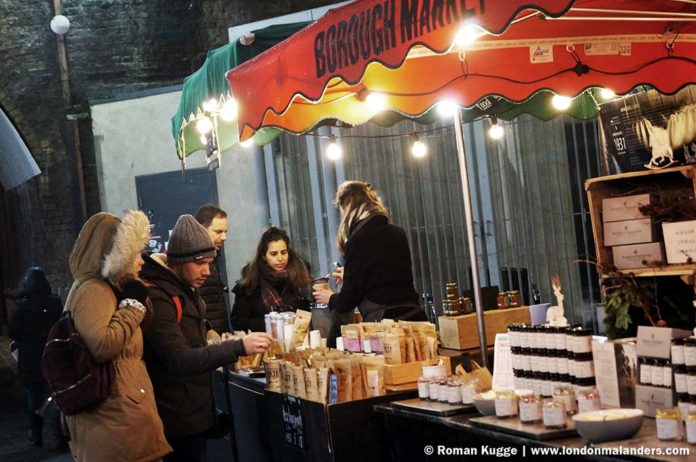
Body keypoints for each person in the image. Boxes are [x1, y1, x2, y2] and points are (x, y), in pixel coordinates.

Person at [141, 214, 272, 462]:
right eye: (199, 262)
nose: (207, 270)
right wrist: (237, 347)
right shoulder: (159, 297)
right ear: (178, 261)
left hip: (192, 412)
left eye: (210, 262)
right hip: (176, 419)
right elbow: (178, 359)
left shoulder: (184, 288)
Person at [62, 211, 171, 462]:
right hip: (114, 425)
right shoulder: (93, 290)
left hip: (120, 420)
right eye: (134, 255)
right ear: (115, 256)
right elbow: (102, 345)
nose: (141, 261)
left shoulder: (105, 288)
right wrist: (133, 306)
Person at [313, 181, 426, 327]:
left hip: (386, 325)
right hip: (416, 318)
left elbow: (347, 300)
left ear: (347, 207)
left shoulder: (358, 240)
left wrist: (330, 298)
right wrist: (351, 273)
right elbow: (385, 276)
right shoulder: (397, 233)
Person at [8, 267, 64, 449]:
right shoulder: (55, 302)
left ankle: (37, 436)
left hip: (31, 360)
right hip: (53, 356)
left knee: (35, 399)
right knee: (56, 397)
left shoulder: (22, 306)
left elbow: (13, 332)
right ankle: (60, 437)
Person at [230, 226, 311, 332]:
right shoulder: (250, 282)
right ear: (264, 256)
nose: (280, 258)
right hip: (263, 343)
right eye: (274, 254)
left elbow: (309, 313)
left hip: (299, 343)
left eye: (283, 252)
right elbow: (238, 322)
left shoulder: (301, 275)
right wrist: (273, 323)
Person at [195, 204, 230, 333]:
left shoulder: (213, 258)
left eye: (225, 232)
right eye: (218, 232)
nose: (224, 237)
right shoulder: (195, 263)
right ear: (202, 230)